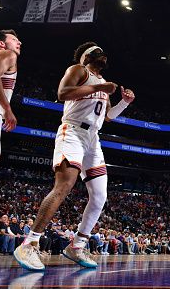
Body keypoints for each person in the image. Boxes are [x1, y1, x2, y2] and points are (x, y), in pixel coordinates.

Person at [14, 42, 135, 271]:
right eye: (97, 51)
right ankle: (29, 243)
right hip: (73, 132)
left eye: (103, 51)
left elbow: (107, 116)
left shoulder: (102, 83)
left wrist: (124, 103)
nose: (103, 54)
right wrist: (98, 89)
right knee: (64, 186)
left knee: (100, 196)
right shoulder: (79, 70)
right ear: (86, 57)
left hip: (93, 138)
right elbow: (62, 93)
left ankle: (77, 245)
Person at [0, 29, 21, 163]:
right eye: (14, 40)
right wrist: (8, 110)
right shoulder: (8, 54)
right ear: (1, 43)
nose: (19, 42)